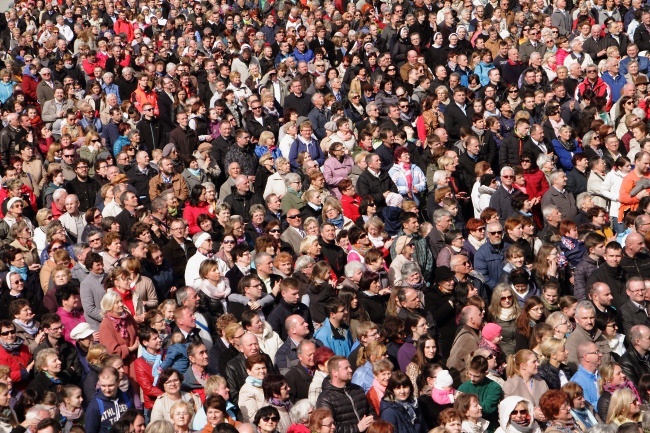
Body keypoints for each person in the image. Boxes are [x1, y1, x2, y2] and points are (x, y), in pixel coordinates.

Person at [316, 356, 374, 433]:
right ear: (334, 372)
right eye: (346, 368)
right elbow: (329, 428)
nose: (350, 370)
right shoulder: (325, 399)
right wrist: (356, 428)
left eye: (350, 367)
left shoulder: (358, 390)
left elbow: (370, 411)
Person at [85, 367, 134, 433]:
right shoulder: (95, 405)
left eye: (110, 385)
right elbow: (90, 430)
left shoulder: (127, 399)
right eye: (103, 386)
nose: (107, 390)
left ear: (118, 383)